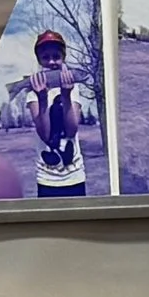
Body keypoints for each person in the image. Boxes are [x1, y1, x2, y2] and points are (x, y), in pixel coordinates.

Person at [25, 30, 89, 197]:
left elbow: (71, 130)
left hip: (75, 176)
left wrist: (66, 95)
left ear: (63, 57)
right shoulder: (33, 91)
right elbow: (45, 135)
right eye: (46, 57)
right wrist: (42, 98)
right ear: (39, 60)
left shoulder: (72, 86)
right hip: (46, 178)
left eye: (56, 56)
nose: (52, 61)